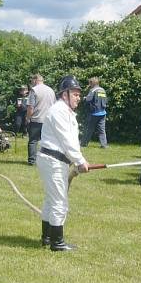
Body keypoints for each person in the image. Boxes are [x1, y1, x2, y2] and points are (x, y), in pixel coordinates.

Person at [38, 75, 89, 252]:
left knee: (51, 200)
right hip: (53, 161)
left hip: (55, 160)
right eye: (75, 94)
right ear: (64, 94)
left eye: (79, 94)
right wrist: (80, 161)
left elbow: (70, 141)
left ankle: (46, 237)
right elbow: (67, 141)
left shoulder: (66, 111)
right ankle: (57, 242)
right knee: (59, 201)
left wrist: (76, 160)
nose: (78, 98)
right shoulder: (59, 111)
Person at [25, 73, 55, 166]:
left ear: (35, 80)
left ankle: (32, 161)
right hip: (48, 120)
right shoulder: (51, 90)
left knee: (33, 141)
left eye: (32, 81)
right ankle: (47, 160)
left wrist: (28, 118)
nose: (31, 83)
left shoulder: (34, 90)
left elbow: (31, 107)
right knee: (47, 142)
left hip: (36, 119)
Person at [81, 77, 108, 148]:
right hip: (103, 113)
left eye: (89, 83)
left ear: (91, 83)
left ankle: (83, 144)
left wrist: (84, 98)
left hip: (94, 113)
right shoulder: (103, 90)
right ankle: (104, 145)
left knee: (89, 129)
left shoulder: (93, 90)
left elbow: (88, 100)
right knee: (102, 130)